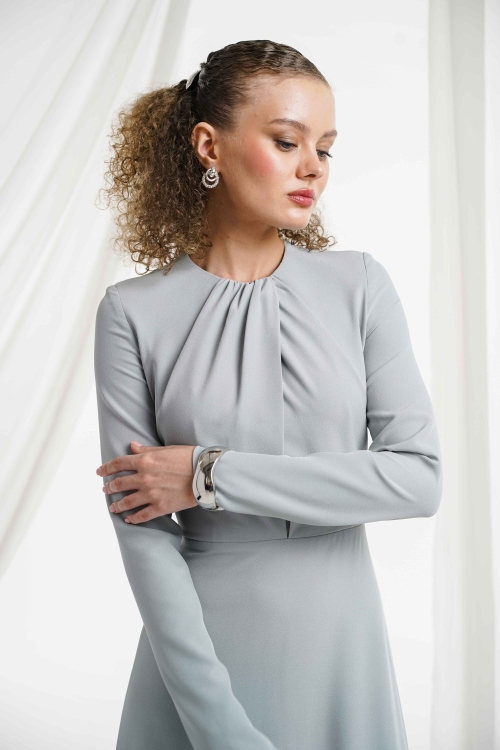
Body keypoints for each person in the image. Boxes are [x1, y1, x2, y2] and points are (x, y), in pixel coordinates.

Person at [94, 39, 443, 750]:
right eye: (287, 142)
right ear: (209, 147)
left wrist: (209, 473)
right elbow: (142, 534)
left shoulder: (359, 286)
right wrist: (219, 726)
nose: (313, 166)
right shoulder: (132, 312)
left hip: (342, 646)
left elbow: (418, 479)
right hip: (199, 663)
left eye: (325, 148)